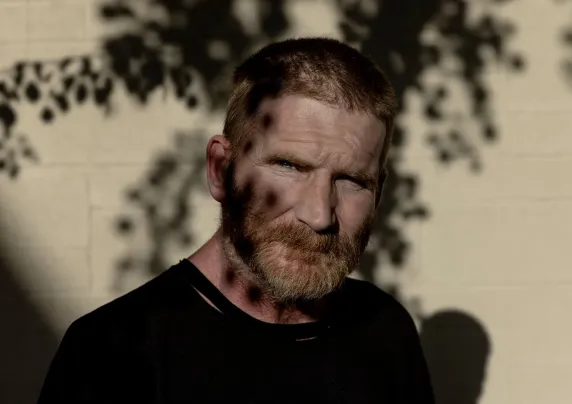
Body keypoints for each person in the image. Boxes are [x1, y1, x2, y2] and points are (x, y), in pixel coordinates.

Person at [37, 37, 434, 403]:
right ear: (220, 170)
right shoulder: (112, 352)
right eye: (290, 166)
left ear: (379, 193)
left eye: (351, 181)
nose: (318, 214)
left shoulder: (385, 332)